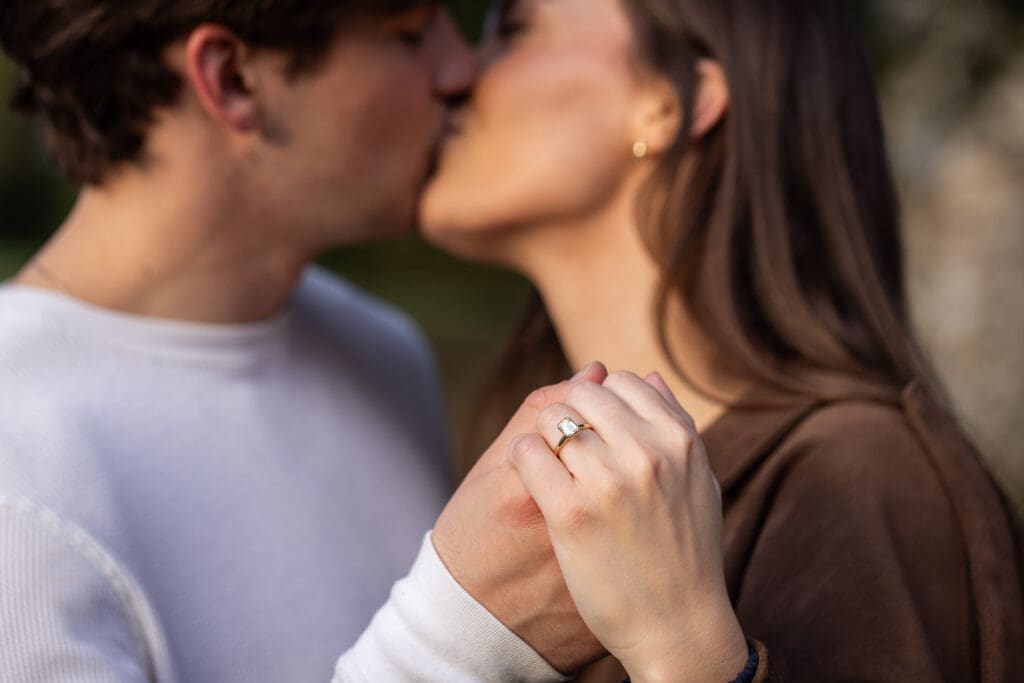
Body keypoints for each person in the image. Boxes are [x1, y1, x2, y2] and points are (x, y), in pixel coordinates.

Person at [0, 2, 650, 681]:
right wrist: (460, 640)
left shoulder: (380, 348)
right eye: (410, 33)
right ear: (231, 80)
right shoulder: (18, 485)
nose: (461, 69)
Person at [421, 0, 1024, 680]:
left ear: (668, 105)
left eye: (513, 30)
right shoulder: (517, 498)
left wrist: (683, 649)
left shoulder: (860, 483)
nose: (453, 73)